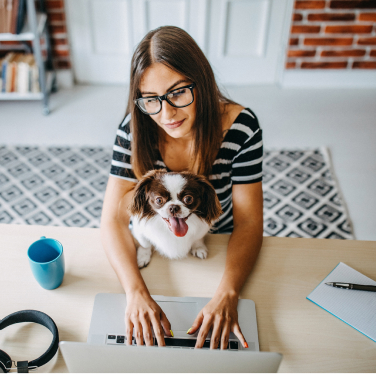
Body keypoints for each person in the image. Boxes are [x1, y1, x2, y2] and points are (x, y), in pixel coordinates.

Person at [100, 26, 263, 351]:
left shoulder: (241, 128)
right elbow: (113, 221)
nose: (167, 114)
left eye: (177, 93)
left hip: (216, 242)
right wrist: (135, 293)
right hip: (151, 242)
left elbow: (249, 221)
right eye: (151, 100)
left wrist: (228, 293)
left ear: (201, 81)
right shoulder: (134, 129)